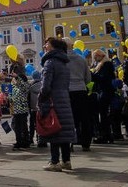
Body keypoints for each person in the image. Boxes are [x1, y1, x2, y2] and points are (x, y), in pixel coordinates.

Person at [39, 37, 76, 172]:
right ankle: (66, 161)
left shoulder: (50, 62)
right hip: (64, 99)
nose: (44, 46)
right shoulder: (64, 63)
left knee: (53, 129)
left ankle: (54, 161)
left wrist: (42, 97)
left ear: (53, 46)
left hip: (53, 100)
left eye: (47, 44)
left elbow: (46, 86)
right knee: (64, 130)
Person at [67, 41, 92, 151]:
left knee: (69, 118)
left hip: (67, 91)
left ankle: (70, 142)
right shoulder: (82, 59)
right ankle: (86, 143)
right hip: (81, 90)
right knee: (84, 118)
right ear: (72, 46)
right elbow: (88, 78)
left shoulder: (62, 60)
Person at [91, 49, 116, 144]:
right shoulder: (106, 64)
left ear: (99, 56)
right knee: (103, 114)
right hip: (105, 91)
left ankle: (105, 135)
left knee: (103, 114)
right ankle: (107, 135)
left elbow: (103, 78)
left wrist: (92, 75)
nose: (94, 59)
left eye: (95, 57)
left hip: (105, 91)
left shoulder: (106, 65)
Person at [9, 72, 31, 149]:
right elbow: (11, 94)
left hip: (22, 109)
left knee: (23, 126)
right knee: (16, 127)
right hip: (15, 110)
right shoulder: (14, 86)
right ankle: (19, 141)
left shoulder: (25, 85)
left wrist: (18, 77)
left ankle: (26, 142)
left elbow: (24, 86)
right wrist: (9, 98)